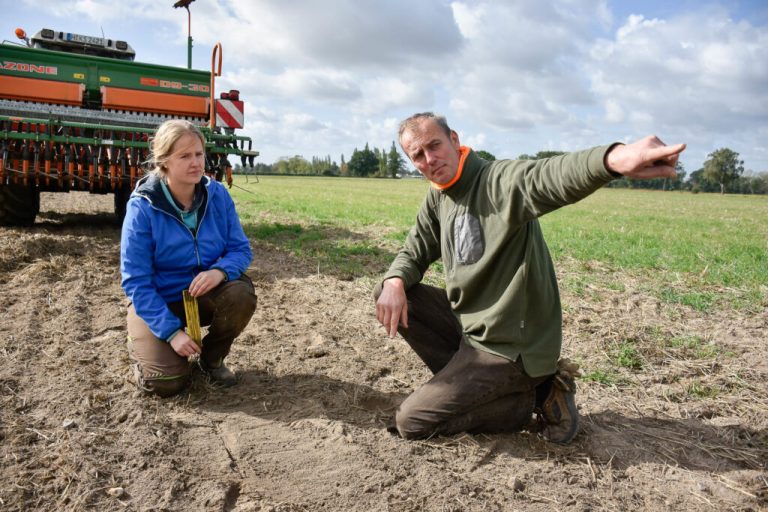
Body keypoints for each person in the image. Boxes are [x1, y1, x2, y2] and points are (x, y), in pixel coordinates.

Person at [375, 112, 685, 443]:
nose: (429, 159)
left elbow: (545, 176)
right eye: (417, 155)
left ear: (454, 140)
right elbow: (413, 252)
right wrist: (394, 281)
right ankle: (490, 387)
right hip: (471, 331)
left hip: (509, 345)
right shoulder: (439, 196)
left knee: (412, 422)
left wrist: (612, 159)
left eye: (434, 146)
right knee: (393, 290)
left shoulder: (497, 181)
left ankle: (531, 400)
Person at [120, 119, 257, 398]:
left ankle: (211, 359)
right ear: (164, 161)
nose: (196, 163)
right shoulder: (142, 207)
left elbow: (241, 250)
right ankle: (147, 354)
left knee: (241, 293)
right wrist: (172, 333)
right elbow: (136, 282)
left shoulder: (217, 195)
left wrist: (219, 272)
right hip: (159, 302)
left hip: (202, 295)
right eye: (184, 156)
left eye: (198, 154)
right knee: (167, 383)